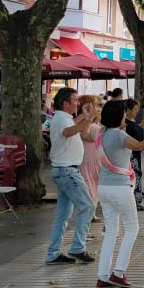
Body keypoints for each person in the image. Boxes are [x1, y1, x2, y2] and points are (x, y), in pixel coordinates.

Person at [96, 100, 144, 288]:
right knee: (131, 228)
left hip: (104, 187)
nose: (126, 116)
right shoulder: (118, 135)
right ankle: (118, 272)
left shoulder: (102, 133)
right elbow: (139, 146)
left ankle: (103, 275)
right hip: (119, 188)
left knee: (111, 231)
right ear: (118, 116)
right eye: (123, 113)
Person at [46, 88, 97, 264]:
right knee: (87, 206)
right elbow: (68, 131)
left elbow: (71, 125)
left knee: (63, 214)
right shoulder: (61, 119)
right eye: (75, 100)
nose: (78, 103)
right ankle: (77, 248)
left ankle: (53, 253)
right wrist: (89, 118)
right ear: (65, 103)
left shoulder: (63, 118)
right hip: (67, 171)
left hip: (65, 171)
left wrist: (83, 116)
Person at [78, 95, 103, 223]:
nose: (97, 108)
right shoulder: (84, 124)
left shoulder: (92, 123)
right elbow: (86, 136)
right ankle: (88, 216)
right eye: (95, 105)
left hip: (94, 159)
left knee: (95, 187)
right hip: (87, 160)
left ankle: (91, 214)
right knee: (90, 188)